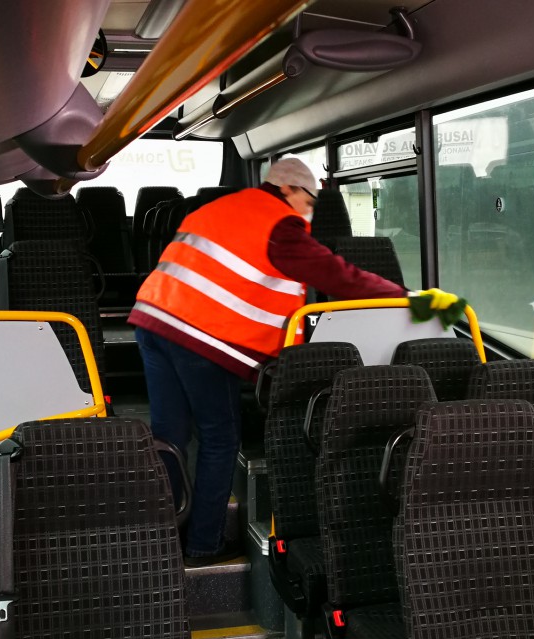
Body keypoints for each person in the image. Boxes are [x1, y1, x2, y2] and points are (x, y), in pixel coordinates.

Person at [128, 158, 409, 566]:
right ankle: (204, 544)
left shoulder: (220, 208)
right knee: (220, 438)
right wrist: (404, 298)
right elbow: (339, 275)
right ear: (289, 190)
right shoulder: (279, 224)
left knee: (168, 435)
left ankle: (162, 540)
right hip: (200, 336)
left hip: (152, 320)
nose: (310, 211)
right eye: (309, 200)